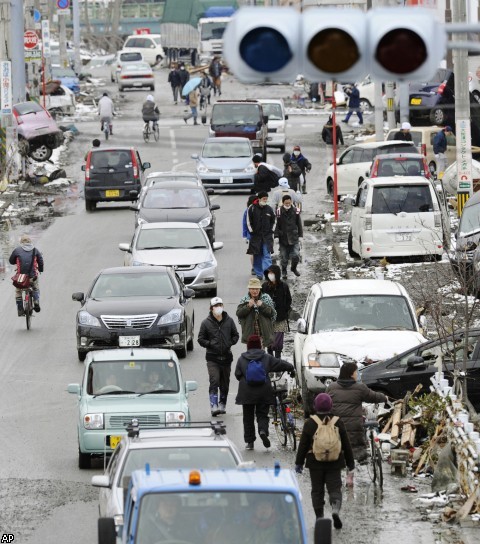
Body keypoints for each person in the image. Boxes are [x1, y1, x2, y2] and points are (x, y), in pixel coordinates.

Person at [295, 393, 355, 529]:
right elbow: (346, 444)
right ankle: (335, 508)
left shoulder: (310, 423)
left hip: (315, 463)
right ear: (331, 406)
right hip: (335, 462)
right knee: (334, 488)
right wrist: (350, 464)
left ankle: (319, 518)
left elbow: (303, 445)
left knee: (317, 491)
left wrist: (299, 463)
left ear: (315, 406)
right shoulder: (338, 422)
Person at [327, 362, 387, 480]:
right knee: (355, 449)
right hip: (355, 428)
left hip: (336, 427)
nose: (357, 374)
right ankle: (351, 475)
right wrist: (385, 397)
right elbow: (373, 396)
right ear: (351, 374)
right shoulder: (360, 388)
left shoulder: (331, 388)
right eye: (356, 371)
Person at [235, 334, 294, 450]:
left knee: (248, 417)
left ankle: (250, 442)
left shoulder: (242, 359)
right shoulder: (266, 357)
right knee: (262, 414)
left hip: (246, 393)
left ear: (248, 346)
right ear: (259, 345)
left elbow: (237, 374)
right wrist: (291, 367)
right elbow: (280, 364)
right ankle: (263, 431)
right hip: (263, 391)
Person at [197, 296, 240, 416]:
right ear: (211, 309)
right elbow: (200, 339)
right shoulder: (205, 323)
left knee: (225, 383)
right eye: (215, 306)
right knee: (214, 380)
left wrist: (229, 343)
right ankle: (213, 405)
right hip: (212, 358)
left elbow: (235, 335)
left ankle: (222, 404)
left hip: (226, 357)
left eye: (220, 305)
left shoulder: (229, 320)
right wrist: (210, 344)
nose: (218, 308)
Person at [9, 234, 44, 316]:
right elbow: (41, 261)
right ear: (30, 242)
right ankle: (36, 301)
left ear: (21, 242)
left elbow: (11, 261)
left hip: (21, 277)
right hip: (32, 276)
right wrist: (41, 269)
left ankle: (20, 309)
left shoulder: (17, 250)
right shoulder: (35, 250)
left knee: (18, 291)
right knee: (35, 288)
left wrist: (16, 261)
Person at [262, 264, 292, 359]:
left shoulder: (284, 287)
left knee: (278, 342)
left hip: (280, 318)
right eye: (269, 273)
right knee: (269, 341)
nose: (270, 275)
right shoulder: (265, 286)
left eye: (272, 273)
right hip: (267, 319)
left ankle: (278, 358)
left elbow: (288, 300)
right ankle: (270, 357)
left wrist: (284, 310)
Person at [236, 278, 276, 348]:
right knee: (251, 355)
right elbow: (239, 313)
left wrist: (262, 306)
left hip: (263, 333)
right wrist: (248, 306)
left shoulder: (266, 298)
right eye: (252, 289)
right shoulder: (245, 300)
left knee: (261, 354)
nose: (255, 291)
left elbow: (272, 313)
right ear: (249, 289)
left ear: (260, 289)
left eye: (257, 289)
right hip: (250, 334)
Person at [246, 191, 275, 279]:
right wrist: (252, 232)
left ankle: (267, 274)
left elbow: (273, 221)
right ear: (259, 199)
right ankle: (259, 274)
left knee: (267, 255)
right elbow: (248, 222)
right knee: (257, 255)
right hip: (256, 237)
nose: (265, 200)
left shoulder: (269, 209)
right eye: (263, 199)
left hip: (267, 237)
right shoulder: (252, 208)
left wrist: (271, 231)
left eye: (266, 199)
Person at [274, 194, 303, 279]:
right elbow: (277, 225)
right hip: (283, 239)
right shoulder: (279, 212)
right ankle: (284, 271)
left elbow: (299, 224)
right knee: (284, 257)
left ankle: (293, 268)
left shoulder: (296, 211)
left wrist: (300, 236)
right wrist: (276, 236)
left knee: (296, 255)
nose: (288, 205)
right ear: (283, 203)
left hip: (294, 237)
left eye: (289, 203)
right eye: (286, 203)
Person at [242, 194, 258, 275]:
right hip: (251, 235)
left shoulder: (248, 210)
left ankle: (255, 267)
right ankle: (254, 267)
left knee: (254, 253)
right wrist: (245, 236)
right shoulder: (248, 211)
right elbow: (245, 224)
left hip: (255, 235)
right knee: (253, 253)